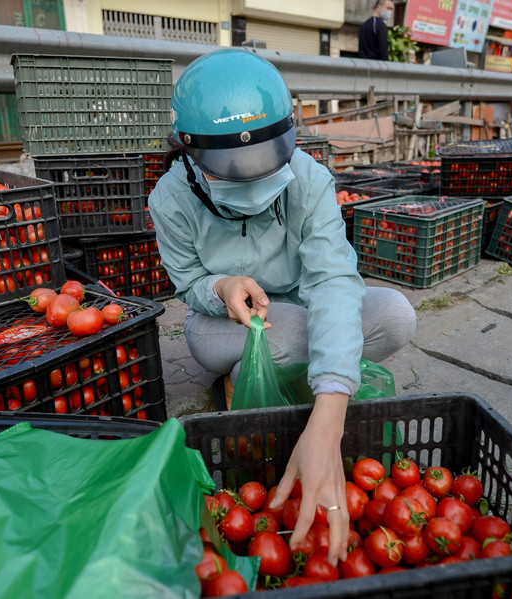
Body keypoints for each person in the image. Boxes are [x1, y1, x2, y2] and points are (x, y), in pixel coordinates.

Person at [147, 48, 416, 567]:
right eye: (233, 172)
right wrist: (221, 287)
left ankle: (296, 381)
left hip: (297, 313)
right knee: (290, 330)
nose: (251, 182)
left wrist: (330, 417)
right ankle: (265, 371)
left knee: (393, 313)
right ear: (189, 150)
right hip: (224, 325)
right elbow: (187, 284)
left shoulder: (309, 180)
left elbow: (335, 279)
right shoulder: (170, 198)